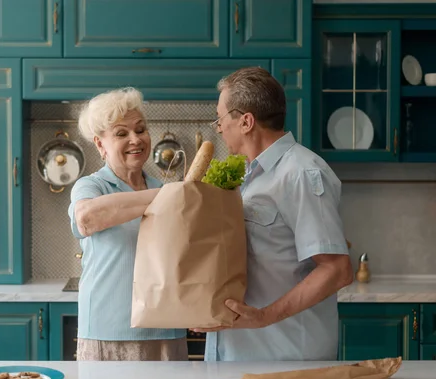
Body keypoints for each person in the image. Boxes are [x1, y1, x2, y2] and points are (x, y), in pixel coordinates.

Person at [195, 67, 353, 361]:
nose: (219, 129)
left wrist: (264, 316)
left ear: (245, 121)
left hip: (284, 356)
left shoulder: (301, 173)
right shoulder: (247, 176)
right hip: (237, 354)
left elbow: (336, 270)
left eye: (221, 119)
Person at [68, 87, 188, 361]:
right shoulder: (91, 186)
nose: (136, 139)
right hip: (108, 332)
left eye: (141, 129)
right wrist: (172, 196)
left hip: (167, 330)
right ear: (100, 144)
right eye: (122, 134)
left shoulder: (163, 187)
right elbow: (86, 218)